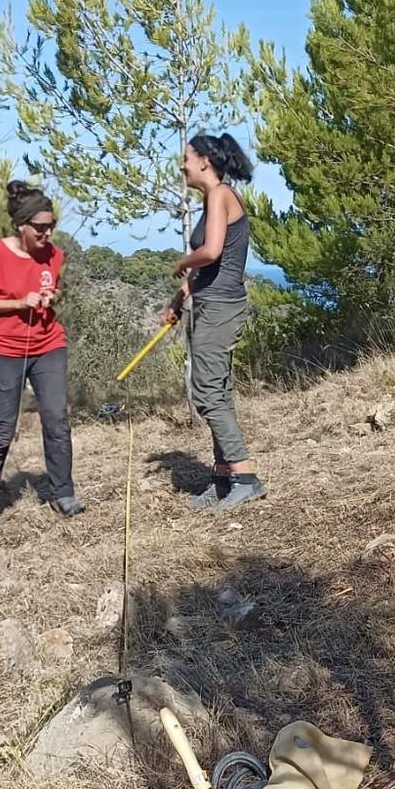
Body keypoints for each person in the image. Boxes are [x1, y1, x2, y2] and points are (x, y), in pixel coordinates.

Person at [0, 180, 85, 534]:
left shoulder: (54, 254)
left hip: (48, 344)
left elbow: (55, 285)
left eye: (52, 227)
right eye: (40, 228)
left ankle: (63, 493)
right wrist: (19, 302)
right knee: (2, 428)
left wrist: (52, 295)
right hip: (2, 351)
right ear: (22, 225)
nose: (48, 234)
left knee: (56, 419)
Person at [161, 132, 264, 512]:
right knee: (215, 391)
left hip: (221, 308)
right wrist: (179, 298)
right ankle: (223, 479)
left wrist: (182, 262)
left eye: (186, 157)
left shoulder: (221, 194)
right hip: (208, 304)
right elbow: (209, 266)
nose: (182, 165)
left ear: (204, 160)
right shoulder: (211, 199)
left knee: (206, 391)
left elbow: (212, 251)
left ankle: (245, 477)